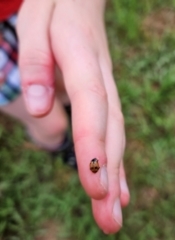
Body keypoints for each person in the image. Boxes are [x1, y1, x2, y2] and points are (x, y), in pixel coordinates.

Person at [0, 0, 130, 234]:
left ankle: (73, 120)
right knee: (53, 124)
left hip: (29, 9)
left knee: (61, 86)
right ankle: (63, 148)